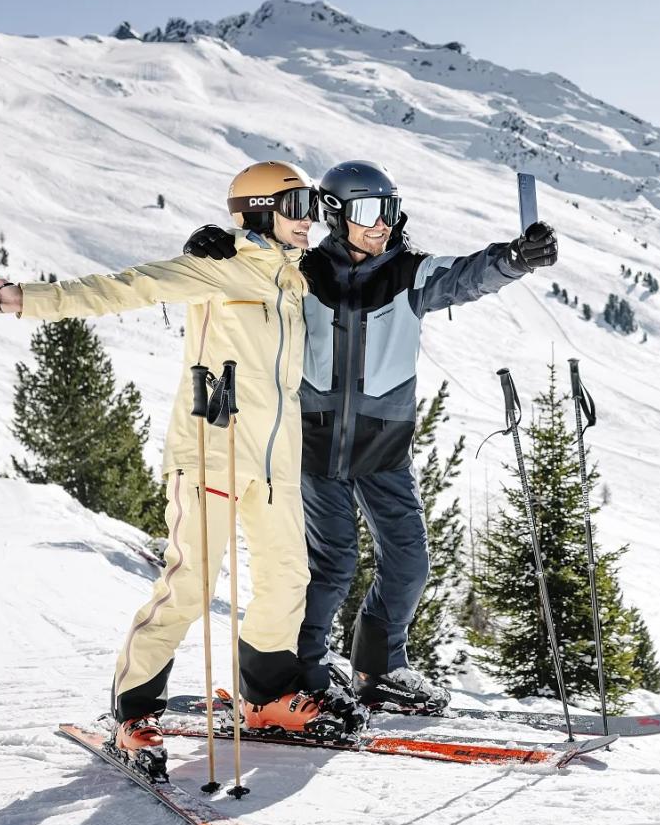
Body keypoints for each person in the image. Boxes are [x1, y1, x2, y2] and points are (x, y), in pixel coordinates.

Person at [0, 161, 367, 756]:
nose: (311, 222)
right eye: (297, 208)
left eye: (313, 209)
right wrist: (20, 299)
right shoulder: (213, 269)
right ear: (256, 211)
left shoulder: (295, 279)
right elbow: (124, 287)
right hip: (211, 452)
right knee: (190, 587)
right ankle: (134, 710)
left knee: (287, 579)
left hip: (275, 463)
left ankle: (268, 694)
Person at [184, 160, 559, 713]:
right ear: (334, 214)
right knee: (331, 563)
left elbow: (469, 274)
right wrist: (213, 244)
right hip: (313, 444)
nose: (380, 223)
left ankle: (380, 668)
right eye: (366, 211)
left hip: (383, 446)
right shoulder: (300, 270)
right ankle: (303, 671)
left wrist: (514, 258)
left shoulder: (410, 273)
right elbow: (248, 265)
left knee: (409, 563)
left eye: (388, 209)